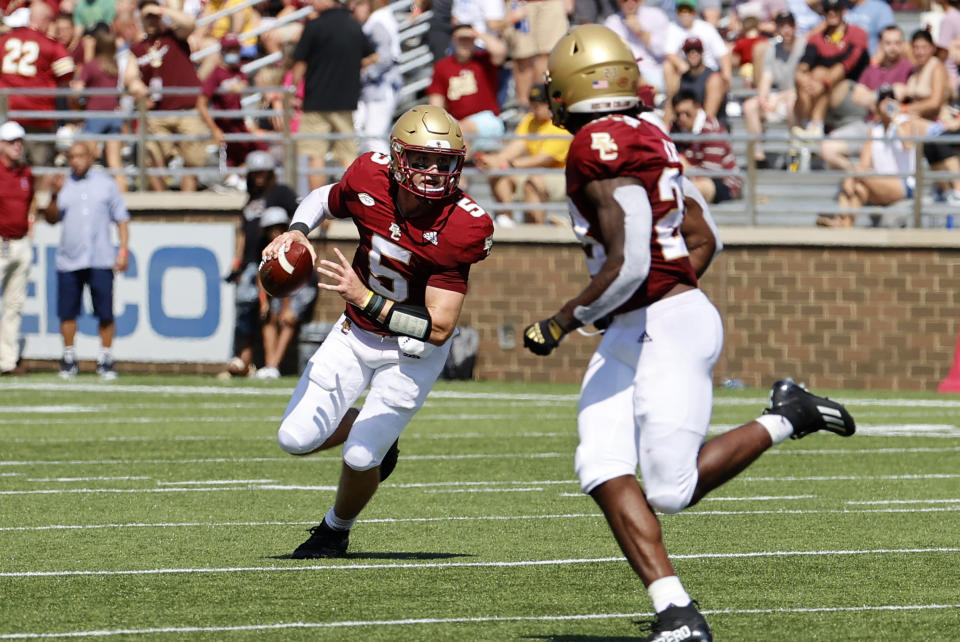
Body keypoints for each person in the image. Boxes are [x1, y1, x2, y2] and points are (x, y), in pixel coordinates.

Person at [524, 24, 856, 641]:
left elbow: (631, 263)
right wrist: (648, 299)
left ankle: (789, 415)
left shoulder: (595, 145)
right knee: (599, 461)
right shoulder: (652, 134)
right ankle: (675, 612)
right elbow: (705, 237)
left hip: (664, 324)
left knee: (671, 489)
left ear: (568, 92)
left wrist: (565, 318)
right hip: (644, 319)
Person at [261, 105, 493, 558]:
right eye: (422, 159)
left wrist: (365, 297)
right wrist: (299, 231)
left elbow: (440, 327)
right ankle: (370, 433)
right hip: (355, 333)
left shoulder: (464, 224)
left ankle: (334, 529)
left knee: (361, 458)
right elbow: (325, 197)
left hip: (412, 351)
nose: (432, 172)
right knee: (294, 439)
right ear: (398, 156)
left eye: (443, 163)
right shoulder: (369, 174)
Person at [43, 141, 130, 379]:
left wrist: (123, 251)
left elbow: (122, 219)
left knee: (105, 311)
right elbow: (50, 218)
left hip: (100, 258)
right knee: (67, 311)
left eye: (80, 156)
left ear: (91, 158)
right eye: (72, 157)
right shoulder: (63, 184)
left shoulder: (106, 185)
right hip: (70, 259)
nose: (75, 161)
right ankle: (69, 356)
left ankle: (105, 357)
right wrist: (53, 195)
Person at [223, 150, 299, 378]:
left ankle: (264, 362)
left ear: (270, 172)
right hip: (251, 263)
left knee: (271, 312)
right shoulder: (252, 196)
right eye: (254, 173)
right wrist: (237, 260)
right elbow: (244, 232)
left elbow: (298, 222)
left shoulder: (282, 193)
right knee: (245, 309)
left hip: (275, 262)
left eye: (262, 172)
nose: (258, 177)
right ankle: (244, 359)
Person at [290, 0, 376, 191]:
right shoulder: (354, 25)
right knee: (347, 156)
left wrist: (293, 90)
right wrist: (353, 68)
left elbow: (300, 64)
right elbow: (372, 56)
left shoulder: (314, 26)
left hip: (315, 103)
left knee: (315, 156)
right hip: (345, 102)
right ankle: (358, 204)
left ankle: (319, 212)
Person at [125, 0, 206, 192]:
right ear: (140, 20)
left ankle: (187, 206)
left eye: (155, 17)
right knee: (153, 158)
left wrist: (160, 9)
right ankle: (163, 202)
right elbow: (130, 77)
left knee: (192, 162)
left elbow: (190, 24)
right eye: (148, 17)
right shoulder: (136, 49)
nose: (152, 21)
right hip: (159, 114)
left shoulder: (174, 36)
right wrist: (138, 89)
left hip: (188, 110)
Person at [0, 1, 76, 193]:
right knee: (42, 168)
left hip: (8, 114)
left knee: (10, 169)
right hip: (39, 115)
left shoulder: (4, 40)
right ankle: (38, 209)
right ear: (44, 21)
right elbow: (67, 72)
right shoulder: (49, 45)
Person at [819, 24, 913, 171]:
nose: (893, 47)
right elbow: (857, 97)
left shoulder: (909, 69)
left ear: (903, 45)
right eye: (888, 43)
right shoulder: (871, 70)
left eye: (897, 43)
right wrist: (882, 95)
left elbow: (902, 94)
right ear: (880, 44)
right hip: (869, 125)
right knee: (827, 147)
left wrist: (873, 97)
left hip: (895, 128)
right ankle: (858, 174)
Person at [474, 84, 571, 224]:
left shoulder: (560, 123)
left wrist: (507, 164)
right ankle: (507, 221)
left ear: (550, 104)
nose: (536, 109)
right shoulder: (530, 120)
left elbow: (543, 159)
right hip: (537, 173)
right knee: (499, 175)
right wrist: (492, 160)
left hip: (561, 176)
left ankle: (536, 230)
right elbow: (516, 147)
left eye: (541, 104)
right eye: (533, 104)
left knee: (533, 181)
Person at [791, 0, 869, 141]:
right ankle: (811, 127)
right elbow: (803, 64)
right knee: (806, 79)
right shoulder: (817, 38)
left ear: (843, 11)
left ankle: (812, 126)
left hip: (851, 89)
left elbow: (848, 64)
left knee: (821, 73)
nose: (832, 13)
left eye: (836, 9)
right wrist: (804, 79)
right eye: (828, 10)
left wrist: (824, 82)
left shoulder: (857, 33)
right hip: (819, 90)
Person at [255, 207, 318, 379]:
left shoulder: (293, 244)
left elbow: (292, 279)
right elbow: (260, 275)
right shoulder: (263, 245)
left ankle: (274, 365)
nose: (275, 232)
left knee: (287, 319)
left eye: (279, 227)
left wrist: (287, 306)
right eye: (271, 228)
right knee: (269, 318)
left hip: (301, 286)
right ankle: (269, 365)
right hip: (281, 288)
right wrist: (263, 302)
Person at [427, 23, 507, 155]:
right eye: (460, 39)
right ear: (453, 40)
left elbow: (500, 51)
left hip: (488, 120)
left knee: (459, 134)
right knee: (453, 135)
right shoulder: (442, 67)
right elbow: (436, 104)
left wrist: (478, 34)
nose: (464, 43)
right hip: (459, 125)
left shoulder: (484, 60)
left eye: (468, 39)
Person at [741, 10, 805, 167]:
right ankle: (759, 156)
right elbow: (766, 77)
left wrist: (777, 98)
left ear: (795, 26)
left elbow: (804, 84)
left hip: (800, 100)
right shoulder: (772, 48)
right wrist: (763, 99)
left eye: (789, 25)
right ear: (777, 28)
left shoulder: (804, 46)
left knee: (792, 103)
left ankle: (794, 151)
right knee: (750, 106)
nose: (787, 29)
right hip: (781, 97)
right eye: (782, 25)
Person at [197, 33, 267, 174]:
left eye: (236, 50)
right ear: (223, 51)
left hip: (239, 124)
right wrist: (214, 129)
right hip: (224, 125)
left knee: (262, 151)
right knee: (230, 165)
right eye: (230, 50)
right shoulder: (216, 73)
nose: (234, 53)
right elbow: (201, 103)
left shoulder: (238, 71)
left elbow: (245, 84)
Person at [0, 121, 34, 377]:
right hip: (0, 241)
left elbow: (31, 204)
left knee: (14, 304)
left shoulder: (25, 173)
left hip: (20, 243)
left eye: (19, 141)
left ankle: (7, 361)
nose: (17, 146)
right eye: (12, 141)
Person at [671, 89, 741, 203]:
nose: (682, 118)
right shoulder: (675, 128)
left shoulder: (712, 130)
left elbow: (712, 172)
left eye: (687, 113)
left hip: (723, 182)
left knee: (696, 187)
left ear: (698, 108)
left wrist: (686, 167)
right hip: (691, 178)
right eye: (678, 114)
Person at [350, 0, 402, 156]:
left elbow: (385, 58)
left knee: (375, 137)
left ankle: (384, 177)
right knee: (362, 135)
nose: (353, 10)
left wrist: (363, 71)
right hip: (369, 90)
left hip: (381, 88)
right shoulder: (368, 25)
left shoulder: (376, 23)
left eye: (357, 5)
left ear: (367, 4)